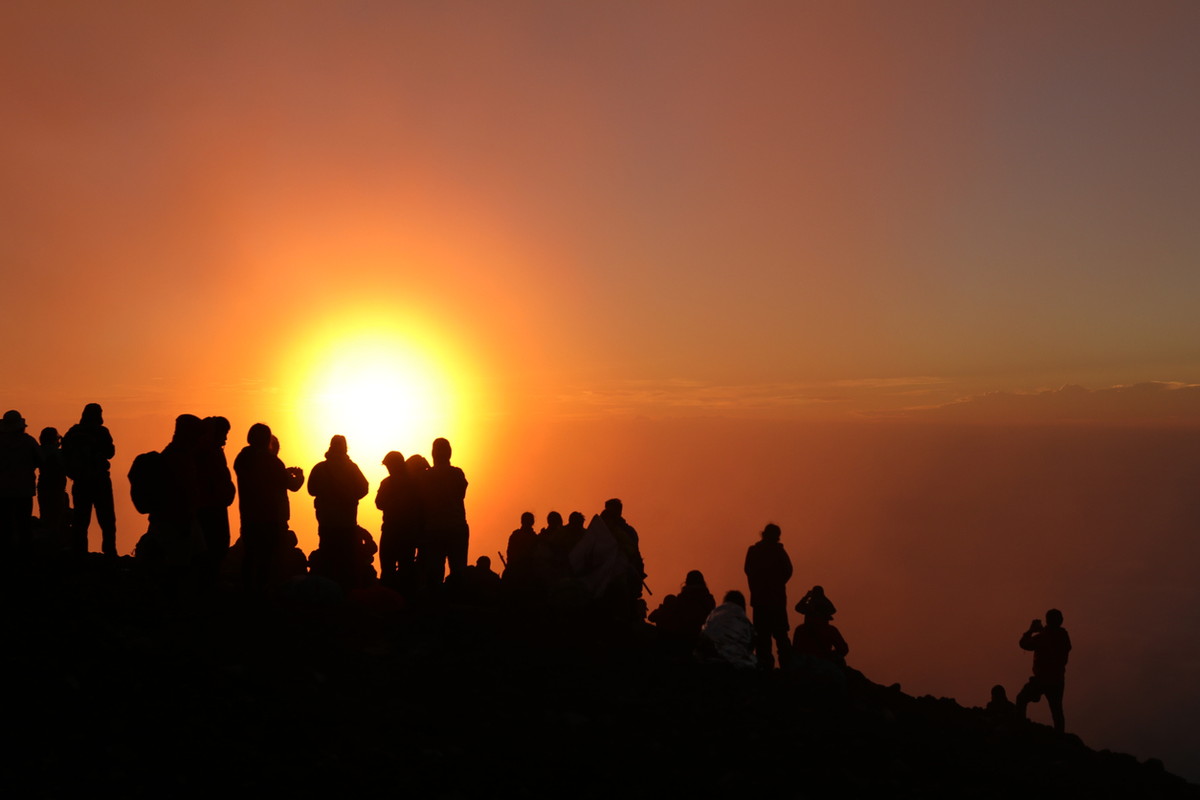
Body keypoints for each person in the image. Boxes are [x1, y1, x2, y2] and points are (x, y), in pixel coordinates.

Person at [233, 423, 304, 594]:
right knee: (268, 560)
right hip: (270, 519)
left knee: (250, 557)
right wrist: (300, 476)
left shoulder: (242, 458)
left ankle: (248, 593)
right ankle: (265, 595)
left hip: (249, 517)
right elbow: (291, 485)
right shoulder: (272, 461)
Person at [308, 435, 369, 588]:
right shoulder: (352, 468)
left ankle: (327, 597)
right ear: (345, 448)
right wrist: (350, 497)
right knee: (347, 565)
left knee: (327, 562)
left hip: (326, 523)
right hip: (347, 523)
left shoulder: (320, 468)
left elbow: (311, 489)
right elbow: (364, 487)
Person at [61, 403, 117, 556]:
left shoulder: (73, 432)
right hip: (100, 481)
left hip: (81, 482)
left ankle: (80, 553)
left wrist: (73, 473)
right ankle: (110, 553)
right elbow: (110, 452)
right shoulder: (102, 432)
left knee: (81, 520)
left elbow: (64, 456)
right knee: (107, 520)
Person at [743, 523, 793, 669]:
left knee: (764, 636)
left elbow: (748, 570)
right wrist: (777, 583)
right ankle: (786, 666)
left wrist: (758, 585)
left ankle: (765, 666)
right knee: (780, 635)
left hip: (761, 599)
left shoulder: (755, 551)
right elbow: (788, 570)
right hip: (775, 599)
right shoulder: (778, 551)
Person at [1015, 608, 1072, 733]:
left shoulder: (1043, 637)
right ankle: (1060, 736)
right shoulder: (1063, 636)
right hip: (1057, 680)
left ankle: (1020, 728)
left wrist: (1031, 630)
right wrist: (1042, 631)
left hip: (1042, 678)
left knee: (1021, 699)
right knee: (1057, 710)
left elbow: (1024, 644)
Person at [420, 437, 468, 582]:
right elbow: (461, 493)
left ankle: (436, 601)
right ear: (449, 453)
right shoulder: (457, 474)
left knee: (434, 572)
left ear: (433, 453)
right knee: (458, 570)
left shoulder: (427, 476)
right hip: (456, 527)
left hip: (434, 529)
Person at [375, 450, 423, 592]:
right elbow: (379, 503)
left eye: (390, 466)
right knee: (400, 569)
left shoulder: (408, 483)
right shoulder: (412, 482)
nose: (389, 469)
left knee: (397, 569)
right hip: (397, 531)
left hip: (400, 532)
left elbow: (380, 503)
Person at [0, 410, 41, 556]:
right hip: (24, 489)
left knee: (6, 523)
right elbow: (40, 460)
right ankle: (25, 554)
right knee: (24, 522)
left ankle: (6, 552)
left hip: (3, 490)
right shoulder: (28, 441)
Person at [698, 590, 757, 669]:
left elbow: (704, 635)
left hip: (710, 660)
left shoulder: (714, 615)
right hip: (735, 663)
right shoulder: (742, 619)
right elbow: (751, 642)